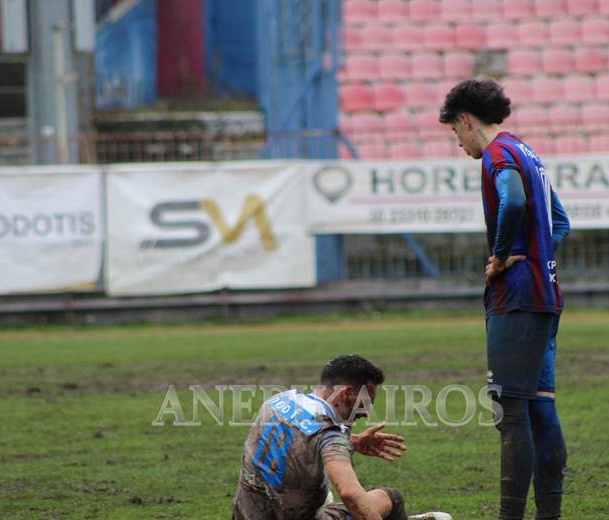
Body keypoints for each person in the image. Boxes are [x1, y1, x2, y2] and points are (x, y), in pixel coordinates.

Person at [439, 77, 569, 520]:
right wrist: (538, 256)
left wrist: (499, 257)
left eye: (454, 132)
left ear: (465, 120)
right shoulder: (528, 152)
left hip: (516, 299)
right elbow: (560, 223)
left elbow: (512, 201)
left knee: (509, 411)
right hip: (545, 295)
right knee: (539, 408)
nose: (459, 144)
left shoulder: (498, 153)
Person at [232, 354, 451, 520]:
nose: (365, 412)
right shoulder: (330, 436)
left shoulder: (279, 400)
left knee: (321, 494)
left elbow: (301, 436)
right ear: (346, 393)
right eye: (364, 403)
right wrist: (340, 442)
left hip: (246, 513)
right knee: (391, 498)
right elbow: (350, 494)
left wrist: (352, 441)